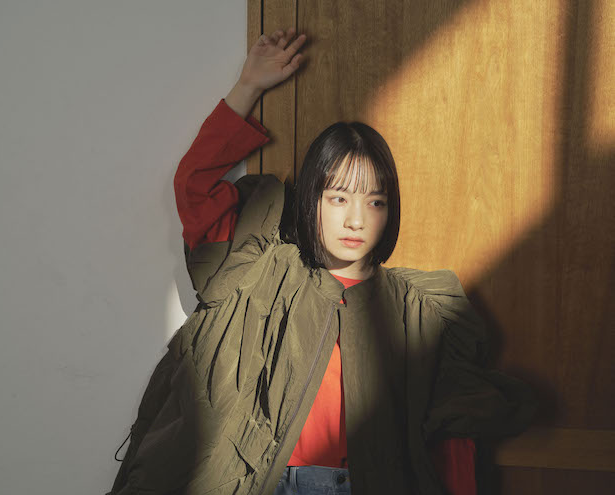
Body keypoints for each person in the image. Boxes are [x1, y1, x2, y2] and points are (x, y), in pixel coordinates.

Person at [106, 27, 536, 495]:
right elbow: (196, 186)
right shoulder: (256, 268)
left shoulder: (421, 310)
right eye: (339, 198)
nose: (356, 220)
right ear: (312, 198)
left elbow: (454, 439)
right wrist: (248, 87)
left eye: (375, 202)